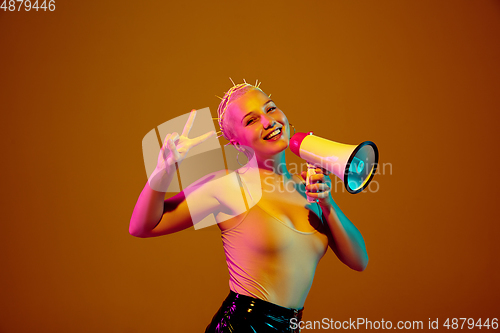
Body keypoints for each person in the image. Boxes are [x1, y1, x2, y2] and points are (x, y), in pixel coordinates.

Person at [129, 81, 369, 333]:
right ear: (235, 143)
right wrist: (162, 173)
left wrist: (327, 205)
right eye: (251, 120)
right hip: (244, 326)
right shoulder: (228, 186)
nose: (268, 122)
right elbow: (142, 226)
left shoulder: (309, 188)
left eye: (271, 108)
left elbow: (359, 260)